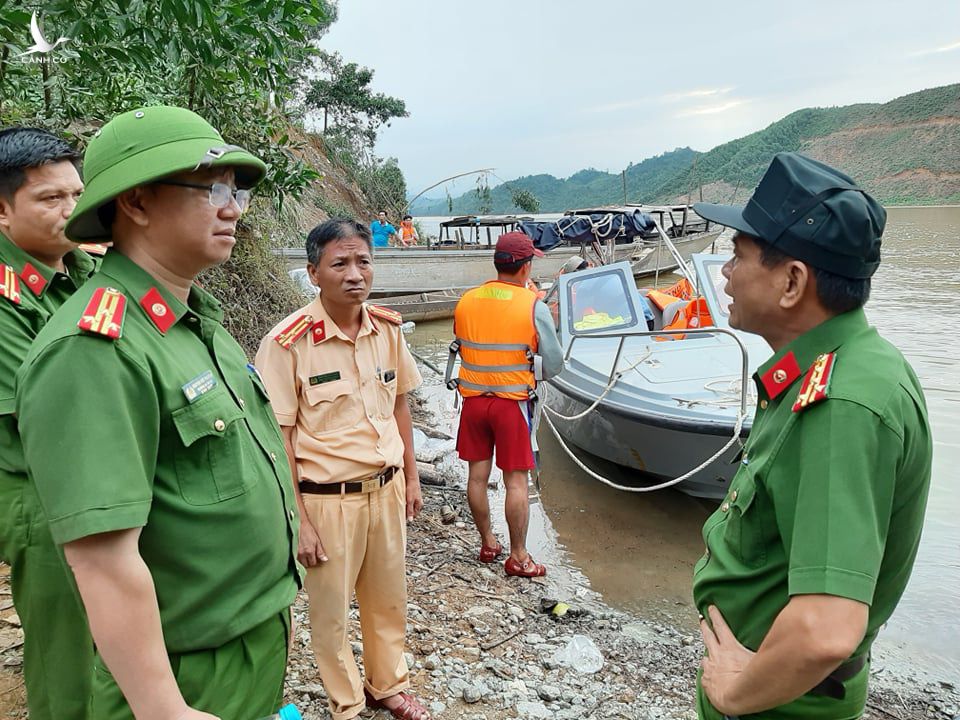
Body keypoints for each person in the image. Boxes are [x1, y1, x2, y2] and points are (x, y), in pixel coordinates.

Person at [14, 106, 301, 720]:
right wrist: (163, 708)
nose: (234, 208)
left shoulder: (195, 321)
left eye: (237, 190)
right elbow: (101, 558)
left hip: (248, 641)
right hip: (181, 670)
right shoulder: (94, 349)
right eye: (212, 189)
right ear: (138, 203)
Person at [690, 152, 932, 720]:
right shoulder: (832, 368)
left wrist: (732, 696)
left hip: (778, 705)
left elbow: (825, 630)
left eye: (738, 255)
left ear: (792, 281)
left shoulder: (840, 403)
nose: (724, 271)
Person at [255, 219, 430, 720]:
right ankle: (348, 703)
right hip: (327, 501)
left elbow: (400, 406)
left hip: (386, 490)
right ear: (314, 273)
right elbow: (280, 437)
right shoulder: (287, 343)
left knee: (387, 600)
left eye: (364, 262)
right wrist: (300, 522)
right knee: (330, 615)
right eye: (340, 264)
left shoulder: (388, 330)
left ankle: (386, 685)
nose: (355, 274)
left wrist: (411, 478)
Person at [0, 127, 95, 720]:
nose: (71, 210)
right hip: (36, 487)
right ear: (3, 211)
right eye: (51, 199)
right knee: (67, 651)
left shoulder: (83, 269)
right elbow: (54, 417)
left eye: (77, 194)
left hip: (93, 468)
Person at [446, 231, 564, 577]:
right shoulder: (533, 306)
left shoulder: (467, 300)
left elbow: (461, 343)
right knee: (516, 482)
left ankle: (487, 542)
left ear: (497, 263)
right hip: (511, 405)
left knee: (477, 477)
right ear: (526, 268)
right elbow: (554, 365)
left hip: (473, 402)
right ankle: (518, 556)